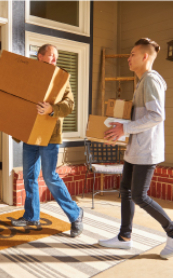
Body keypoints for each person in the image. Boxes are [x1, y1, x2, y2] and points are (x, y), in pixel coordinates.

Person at [98, 38, 173, 259]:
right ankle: (124, 237)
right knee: (126, 192)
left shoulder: (150, 80)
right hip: (135, 149)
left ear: (145, 57)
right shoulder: (141, 82)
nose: (128, 58)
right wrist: (119, 132)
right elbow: (138, 118)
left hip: (146, 150)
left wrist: (125, 128)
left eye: (132, 54)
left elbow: (157, 116)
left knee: (139, 196)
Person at [8, 44, 83, 237]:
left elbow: (69, 104)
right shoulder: (28, 77)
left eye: (56, 56)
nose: (55, 59)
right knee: (29, 177)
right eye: (51, 55)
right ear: (40, 56)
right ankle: (32, 217)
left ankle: (75, 215)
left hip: (50, 135)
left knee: (50, 177)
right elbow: (15, 102)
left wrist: (52, 109)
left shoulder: (61, 78)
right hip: (31, 134)